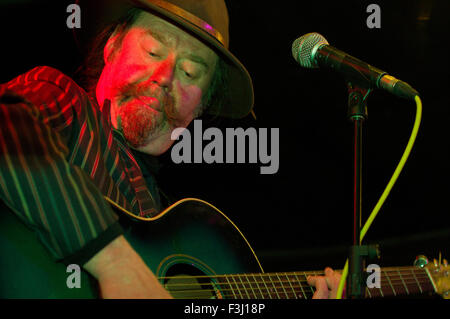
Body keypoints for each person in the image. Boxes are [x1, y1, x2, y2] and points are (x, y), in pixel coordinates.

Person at [0, 0, 340, 299]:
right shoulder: (62, 100)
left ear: (202, 104)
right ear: (112, 47)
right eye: (152, 51)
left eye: (190, 72)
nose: (165, 76)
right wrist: (116, 265)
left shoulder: (158, 219)